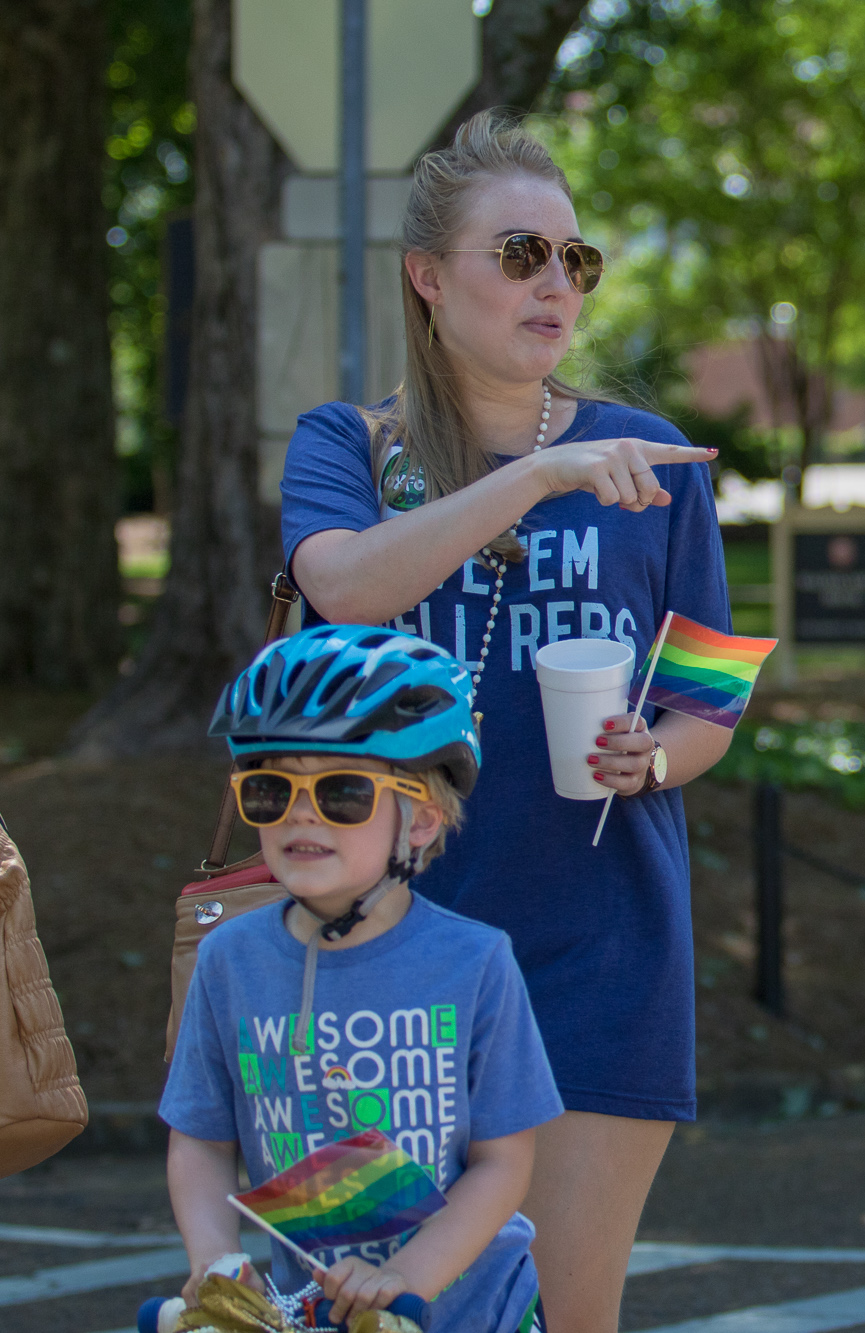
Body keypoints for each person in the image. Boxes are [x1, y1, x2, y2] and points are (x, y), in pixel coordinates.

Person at [279, 111, 725, 1332]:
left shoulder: (653, 465)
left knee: (569, 1317)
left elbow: (713, 703)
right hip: (379, 953)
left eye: (574, 260)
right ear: (429, 277)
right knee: (374, 1318)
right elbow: (347, 583)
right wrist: (533, 474)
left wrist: (654, 758)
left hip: (602, 951)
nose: (554, 284)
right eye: (520, 252)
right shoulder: (350, 448)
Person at [162, 626, 563, 1332]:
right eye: (268, 788)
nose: (300, 812)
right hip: (317, 1309)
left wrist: (403, 1279)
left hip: (474, 1309)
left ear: (421, 819)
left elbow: (503, 1162)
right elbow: (200, 1138)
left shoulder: (475, 963)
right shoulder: (231, 960)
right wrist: (217, 1264)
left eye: (342, 790)